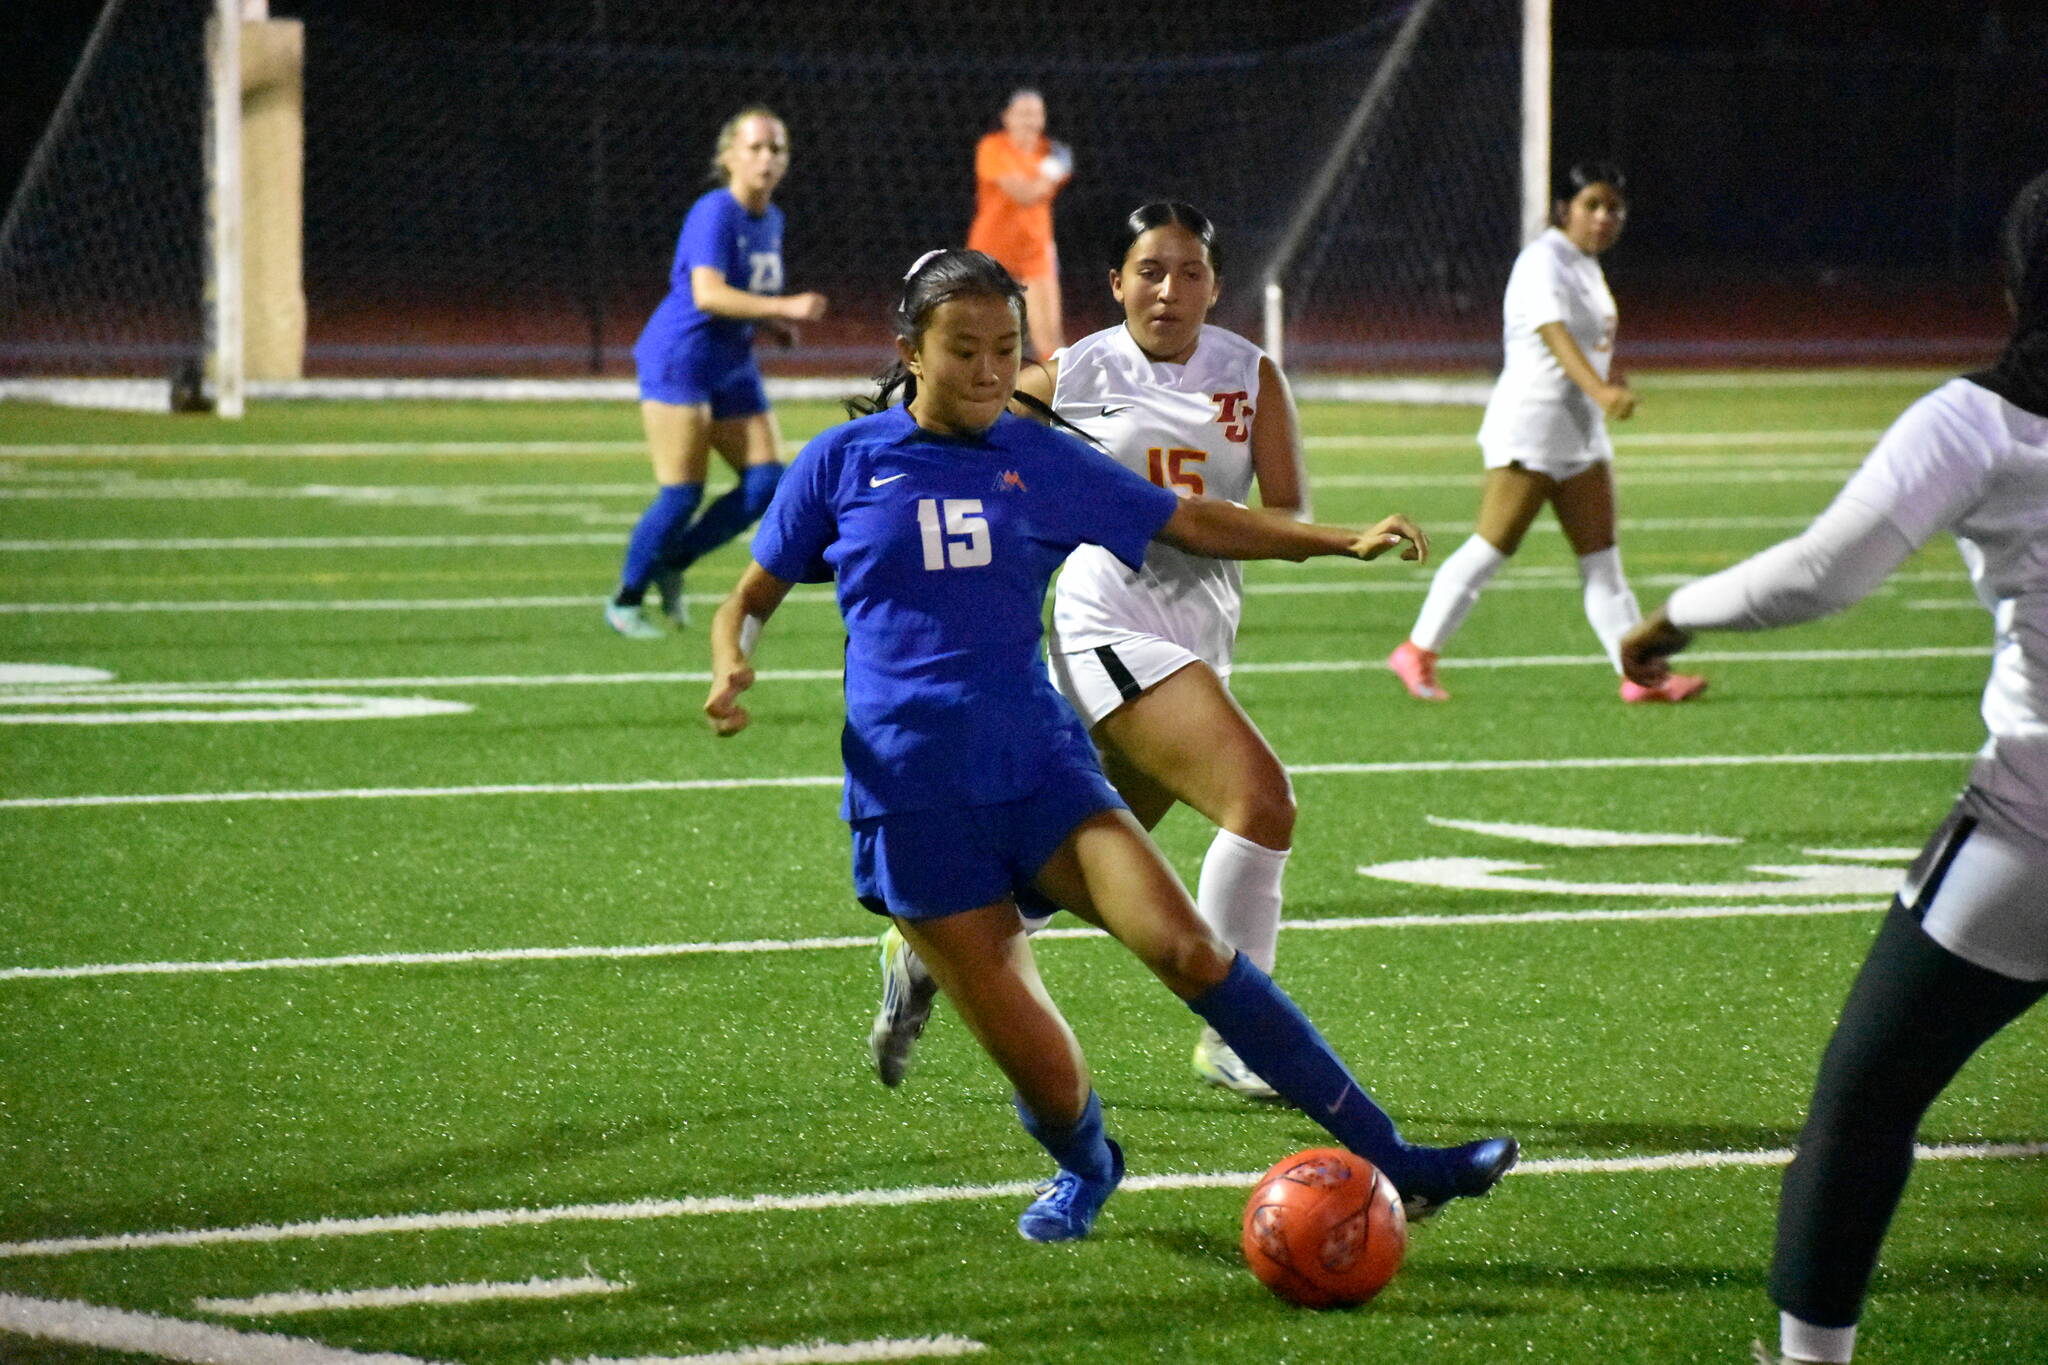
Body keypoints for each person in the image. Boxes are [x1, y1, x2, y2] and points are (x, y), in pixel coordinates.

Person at [704, 248, 1517, 1242]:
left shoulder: (1036, 457)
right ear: (910, 350)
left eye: (1004, 348)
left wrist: (1334, 539)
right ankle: (1088, 1166)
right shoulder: (842, 462)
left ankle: (1402, 1162)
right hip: (911, 800)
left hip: (1039, 771)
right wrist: (731, 662)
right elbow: (749, 598)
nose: (988, 370)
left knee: (1189, 949)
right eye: (963, 349)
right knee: (1046, 1074)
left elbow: (1189, 520)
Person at [1623, 169, 2048, 1365]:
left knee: (1864, 1101)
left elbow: (1820, 574)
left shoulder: (1977, 420)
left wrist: (1671, 616)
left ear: (2014, 282)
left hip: (2031, 835)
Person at [869, 202, 1309, 1102]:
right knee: (1260, 800)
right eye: (1150, 271)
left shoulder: (1253, 374)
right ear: (1115, 283)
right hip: (1106, 619)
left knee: (1085, 855)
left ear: (1216, 287)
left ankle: (928, 944)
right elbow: (963, 434)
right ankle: (1240, 1038)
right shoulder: (1073, 372)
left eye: (1190, 272)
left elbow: (1285, 510)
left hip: (1198, 630)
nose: (1170, 289)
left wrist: (1224, 526)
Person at [1387, 160, 1705, 704]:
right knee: (1491, 548)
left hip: (1579, 435)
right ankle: (1417, 651)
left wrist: (1607, 383)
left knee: (1603, 563)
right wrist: (1601, 391)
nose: (1604, 217)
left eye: (1614, 209)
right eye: (1592, 205)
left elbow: (1589, 341)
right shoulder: (1543, 260)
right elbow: (1554, 334)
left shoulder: (1584, 264)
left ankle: (1640, 676)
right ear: (1564, 209)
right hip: (1530, 429)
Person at [605, 105, 828, 639]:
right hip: (680, 358)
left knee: (767, 483)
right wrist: (785, 306)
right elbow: (707, 294)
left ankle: (673, 562)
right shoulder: (714, 212)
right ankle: (626, 600)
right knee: (682, 493)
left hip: (731, 362)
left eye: (776, 149)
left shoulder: (772, 218)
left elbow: (742, 290)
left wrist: (771, 323)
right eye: (755, 147)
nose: (767, 158)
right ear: (729, 156)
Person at [966, 88, 1070, 361]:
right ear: (1007, 117)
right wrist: (1049, 174)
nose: (1029, 120)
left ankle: (1058, 386)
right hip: (991, 250)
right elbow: (1024, 194)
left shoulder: (1050, 151)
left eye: (1035, 114)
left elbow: (1036, 189)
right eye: (1022, 113)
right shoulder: (992, 147)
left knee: (1049, 336)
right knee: (979, 329)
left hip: (1035, 250)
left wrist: (1047, 175)